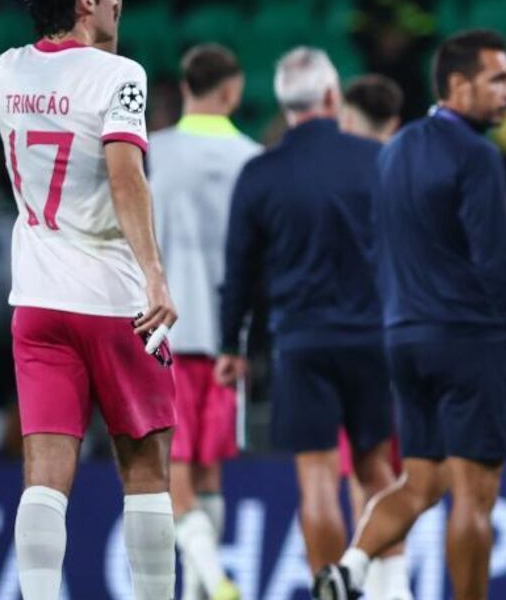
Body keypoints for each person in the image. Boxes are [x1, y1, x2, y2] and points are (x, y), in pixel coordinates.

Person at [314, 30, 506, 600]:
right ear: (458, 86)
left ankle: (353, 566)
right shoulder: (477, 154)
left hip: (404, 340)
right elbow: (493, 259)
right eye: (497, 80)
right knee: (474, 494)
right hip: (467, 338)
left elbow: (378, 248)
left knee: (421, 482)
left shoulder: (394, 150)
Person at [0, 0, 178, 599]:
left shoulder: (7, 69)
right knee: (147, 470)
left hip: (37, 302)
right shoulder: (119, 76)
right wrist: (156, 275)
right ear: (84, 0)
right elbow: (127, 179)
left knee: (45, 473)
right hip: (113, 301)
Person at [216, 47, 396, 581]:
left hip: (300, 342)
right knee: (376, 467)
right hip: (372, 337)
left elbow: (240, 272)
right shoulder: (375, 158)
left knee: (317, 476)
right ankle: (393, 586)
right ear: (331, 96)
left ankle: (329, 592)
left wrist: (231, 346)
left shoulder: (260, 173)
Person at [149, 43, 257, 600]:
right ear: (232, 90)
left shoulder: (151, 152)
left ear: (184, 87)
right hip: (225, 338)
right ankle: (204, 588)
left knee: (174, 474)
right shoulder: (253, 158)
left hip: (160, 332)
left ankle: (211, 580)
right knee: (210, 471)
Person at [336, 71, 413, 600]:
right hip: (409, 337)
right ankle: (395, 587)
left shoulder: (340, 177)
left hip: (357, 340)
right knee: (397, 472)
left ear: (346, 119)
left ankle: (389, 588)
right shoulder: (409, 173)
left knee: (363, 471)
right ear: (395, 123)